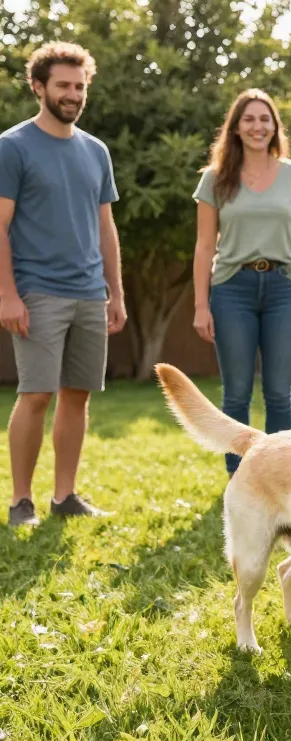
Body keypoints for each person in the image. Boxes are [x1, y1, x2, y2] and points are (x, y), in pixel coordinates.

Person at [0, 41, 126, 527]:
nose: (73, 94)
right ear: (39, 87)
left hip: (90, 293)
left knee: (78, 393)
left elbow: (105, 227)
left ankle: (65, 495)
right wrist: (8, 293)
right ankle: (20, 501)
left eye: (80, 86)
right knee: (36, 394)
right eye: (63, 86)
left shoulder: (96, 151)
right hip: (37, 291)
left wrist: (115, 291)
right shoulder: (13, 147)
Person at [191, 88, 291, 476]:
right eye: (248, 119)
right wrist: (201, 305)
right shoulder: (215, 179)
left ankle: (281, 479)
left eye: (264, 119)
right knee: (236, 394)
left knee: (279, 393)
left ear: (274, 127)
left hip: (285, 288)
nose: (257, 126)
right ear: (235, 128)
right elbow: (203, 247)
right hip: (232, 289)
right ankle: (240, 480)